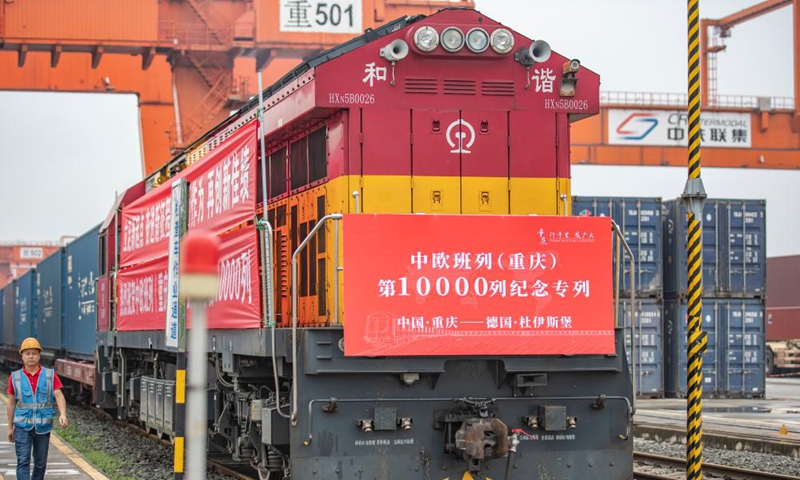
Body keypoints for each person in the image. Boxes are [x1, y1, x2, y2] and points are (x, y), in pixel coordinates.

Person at [5, 337, 69, 480]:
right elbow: (10, 403)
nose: (31, 356)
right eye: (27, 353)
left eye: (34, 353)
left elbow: (58, 395)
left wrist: (63, 414)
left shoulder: (49, 375)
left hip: (43, 427)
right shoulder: (15, 377)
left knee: (40, 464)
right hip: (22, 427)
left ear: (39, 355)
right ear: (22, 356)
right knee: (23, 461)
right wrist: (10, 427)